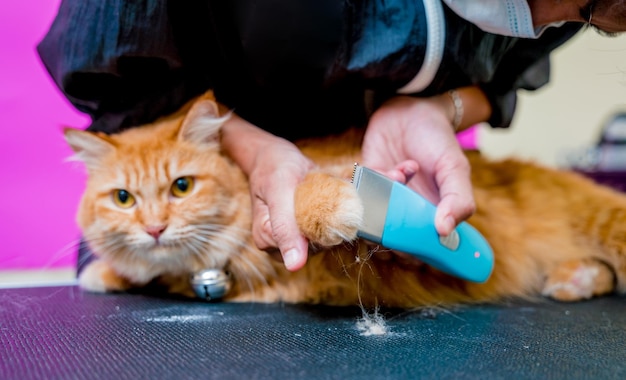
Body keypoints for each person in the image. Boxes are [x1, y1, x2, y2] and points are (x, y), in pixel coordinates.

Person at [38, 0, 625, 272]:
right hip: (221, 201)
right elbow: (120, 78)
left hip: (394, 195)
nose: (555, 21)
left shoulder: (570, 8)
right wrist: (255, 149)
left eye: (590, 22)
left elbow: (505, 81)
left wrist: (438, 111)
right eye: (585, 4)